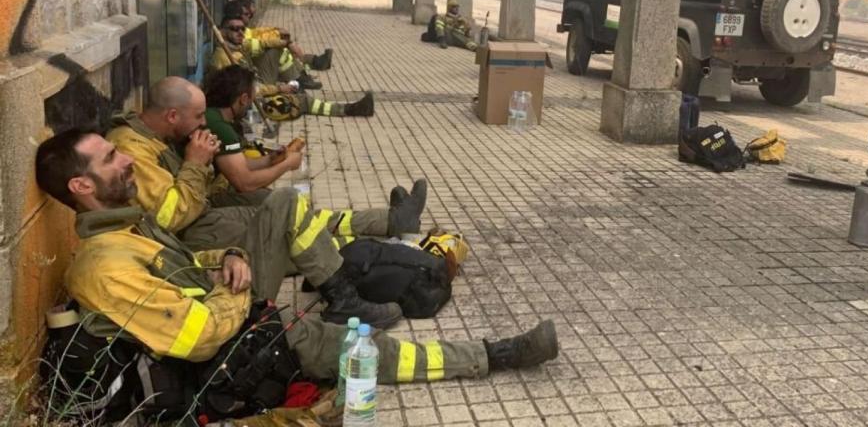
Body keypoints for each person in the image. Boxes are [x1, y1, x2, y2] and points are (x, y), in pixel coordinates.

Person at [34, 128, 559, 416]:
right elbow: (197, 338)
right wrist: (242, 300)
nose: (124, 160)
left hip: (233, 320)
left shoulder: (127, 230)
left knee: (290, 216)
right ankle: (494, 356)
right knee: (358, 353)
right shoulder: (103, 265)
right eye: (108, 159)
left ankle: (360, 277)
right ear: (81, 188)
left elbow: (188, 265)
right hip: (221, 356)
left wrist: (230, 262)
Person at [105, 77, 425, 326]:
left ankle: (389, 223)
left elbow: (217, 184)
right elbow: (170, 217)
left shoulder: (156, 135)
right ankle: (347, 292)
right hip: (193, 235)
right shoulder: (132, 149)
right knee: (288, 211)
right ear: (172, 115)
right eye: (198, 116)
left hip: (203, 216)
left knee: (290, 215)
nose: (203, 124)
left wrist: (231, 163)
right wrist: (195, 163)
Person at [211, 14, 373, 120]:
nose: (240, 32)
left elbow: (263, 43)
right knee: (300, 102)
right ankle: (348, 109)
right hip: (248, 105)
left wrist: (288, 43)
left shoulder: (238, 46)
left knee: (273, 51)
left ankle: (300, 76)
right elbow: (252, 90)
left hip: (256, 86)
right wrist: (279, 89)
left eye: (242, 29)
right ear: (222, 32)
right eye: (234, 29)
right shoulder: (224, 57)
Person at [203, 65, 305, 196]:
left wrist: (269, 160)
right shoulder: (221, 128)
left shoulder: (213, 115)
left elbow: (240, 164)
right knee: (271, 200)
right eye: (251, 100)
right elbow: (245, 183)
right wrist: (287, 165)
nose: (250, 105)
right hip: (205, 197)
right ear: (243, 99)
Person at [222, 0, 331, 91]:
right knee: (277, 50)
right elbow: (259, 42)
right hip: (256, 84)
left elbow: (260, 32)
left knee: (281, 49)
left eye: (251, 14)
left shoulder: (241, 31)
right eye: (247, 14)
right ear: (236, 17)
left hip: (255, 76)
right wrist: (286, 43)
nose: (250, 17)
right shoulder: (236, 37)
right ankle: (302, 74)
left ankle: (310, 66)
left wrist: (277, 31)